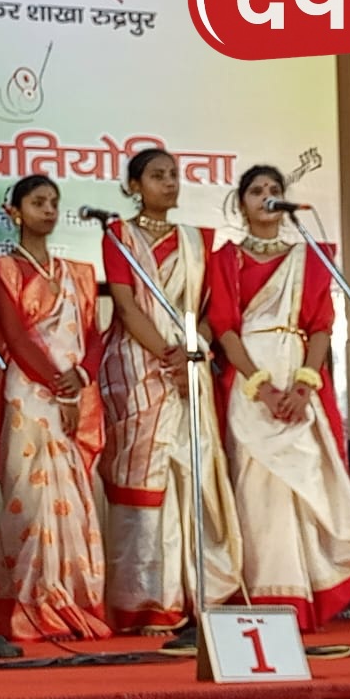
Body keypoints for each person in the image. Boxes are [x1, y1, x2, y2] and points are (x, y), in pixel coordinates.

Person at [205, 164, 350, 631]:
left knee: (300, 486)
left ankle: (300, 594)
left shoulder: (310, 258)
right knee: (255, 486)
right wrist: (261, 387)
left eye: (274, 189)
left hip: (298, 375)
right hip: (249, 383)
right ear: (241, 204)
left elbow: (320, 325)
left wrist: (303, 386)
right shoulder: (226, 260)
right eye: (256, 190)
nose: (266, 196)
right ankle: (260, 592)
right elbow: (224, 328)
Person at [98, 149, 244, 635]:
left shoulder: (199, 241)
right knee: (145, 477)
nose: (169, 183)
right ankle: (145, 601)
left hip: (189, 365)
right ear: (133, 186)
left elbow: (208, 311)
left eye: (174, 175)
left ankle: (195, 592)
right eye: (157, 176)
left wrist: (191, 351)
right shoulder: (117, 235)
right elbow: (125, 305)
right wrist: (167, 354)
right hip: (139, 367)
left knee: (191, 472)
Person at [0, 175, 110, 641]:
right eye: (38, 202)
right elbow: (16, 337)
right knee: (31, 495)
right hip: (30, 395)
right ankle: (30, 602)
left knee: (71, 498)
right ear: (15, 211)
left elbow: (93, 335)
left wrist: (80, 380)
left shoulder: (78, 273)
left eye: (54, 202)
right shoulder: (6, 267)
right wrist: (59, 388)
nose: (49, 210)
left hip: (73, 391)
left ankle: (71, 599)